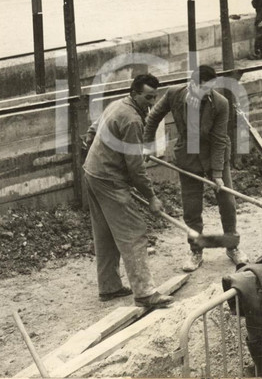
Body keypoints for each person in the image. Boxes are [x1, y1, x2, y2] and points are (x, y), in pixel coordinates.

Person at [81, 73, 174, 309]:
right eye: (147, 98)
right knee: (134, 231)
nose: (151, 103)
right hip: (109, 180)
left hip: (92, 173)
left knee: (105, 233)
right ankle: (144, 293)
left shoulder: (117, 104)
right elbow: (136, 169)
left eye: (154, 98)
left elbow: (92, 131)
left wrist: (102, 155)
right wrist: (151, 198)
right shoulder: (132, 119)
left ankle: (109, 287)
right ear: (134, 93)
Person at [144, 65, 248, 272]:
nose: (207, 93)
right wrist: (147, 145)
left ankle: (232, 247)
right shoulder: (174, 94)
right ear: (192, 84)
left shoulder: (221, 103)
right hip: (188, 158)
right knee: (192, 208)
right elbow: (153, 117)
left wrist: (217, 174)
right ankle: (196, 251)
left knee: (227, 201)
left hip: (214, 156)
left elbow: (220, 139)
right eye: (203, 89)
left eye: (211, 88)